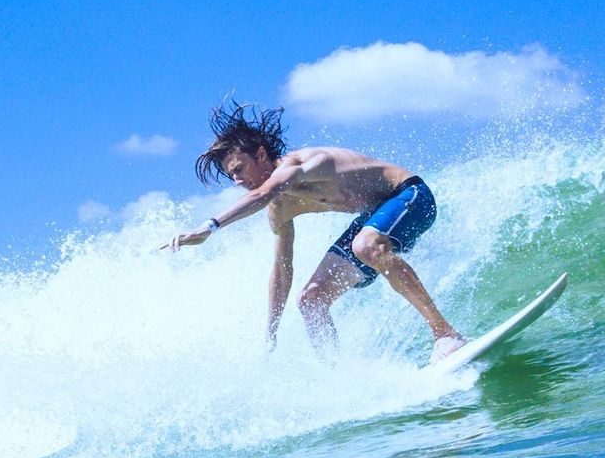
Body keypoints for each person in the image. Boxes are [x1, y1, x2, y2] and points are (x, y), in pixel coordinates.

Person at [162, 103, 466, 362]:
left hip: (411, 196)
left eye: (239, 169)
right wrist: (271, 331)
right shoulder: (279, 207)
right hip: (375, 218)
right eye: (232, 176)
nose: (238, 180)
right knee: (310, 299)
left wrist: (209, 226)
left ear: (261, 154)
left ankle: (445, 335)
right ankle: (337, 379)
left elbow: (262, 194)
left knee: (365, 245)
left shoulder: (301, 164)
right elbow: (282, 270)